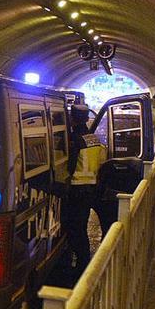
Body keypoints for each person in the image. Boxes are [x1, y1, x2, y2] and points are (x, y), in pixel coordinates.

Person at [63, 103, 107, 279]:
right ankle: (82, 262)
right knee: (81, 226)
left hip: (76, 190)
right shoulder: (93, 138)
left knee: (74, 228)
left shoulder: (74, 140)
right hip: (90, 189)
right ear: (87, 119)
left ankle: (81, 265)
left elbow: (69, 167)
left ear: (72, 119)